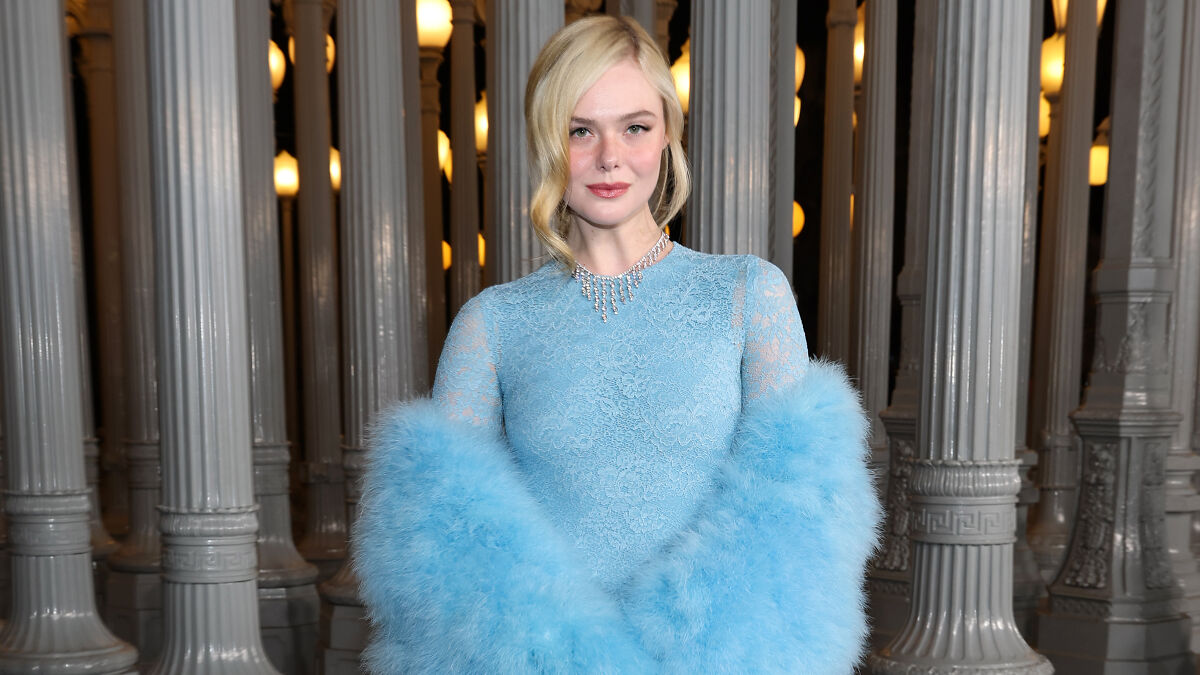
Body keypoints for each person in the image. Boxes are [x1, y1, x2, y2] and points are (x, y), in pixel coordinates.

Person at [354, 15, 879, 674]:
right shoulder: (493, 324)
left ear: (666, 136)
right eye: (582, 130)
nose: (610, 157)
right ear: (548, 141)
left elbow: (799, 530)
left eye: (635, 126)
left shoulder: (749, 295)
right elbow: (443, 553)